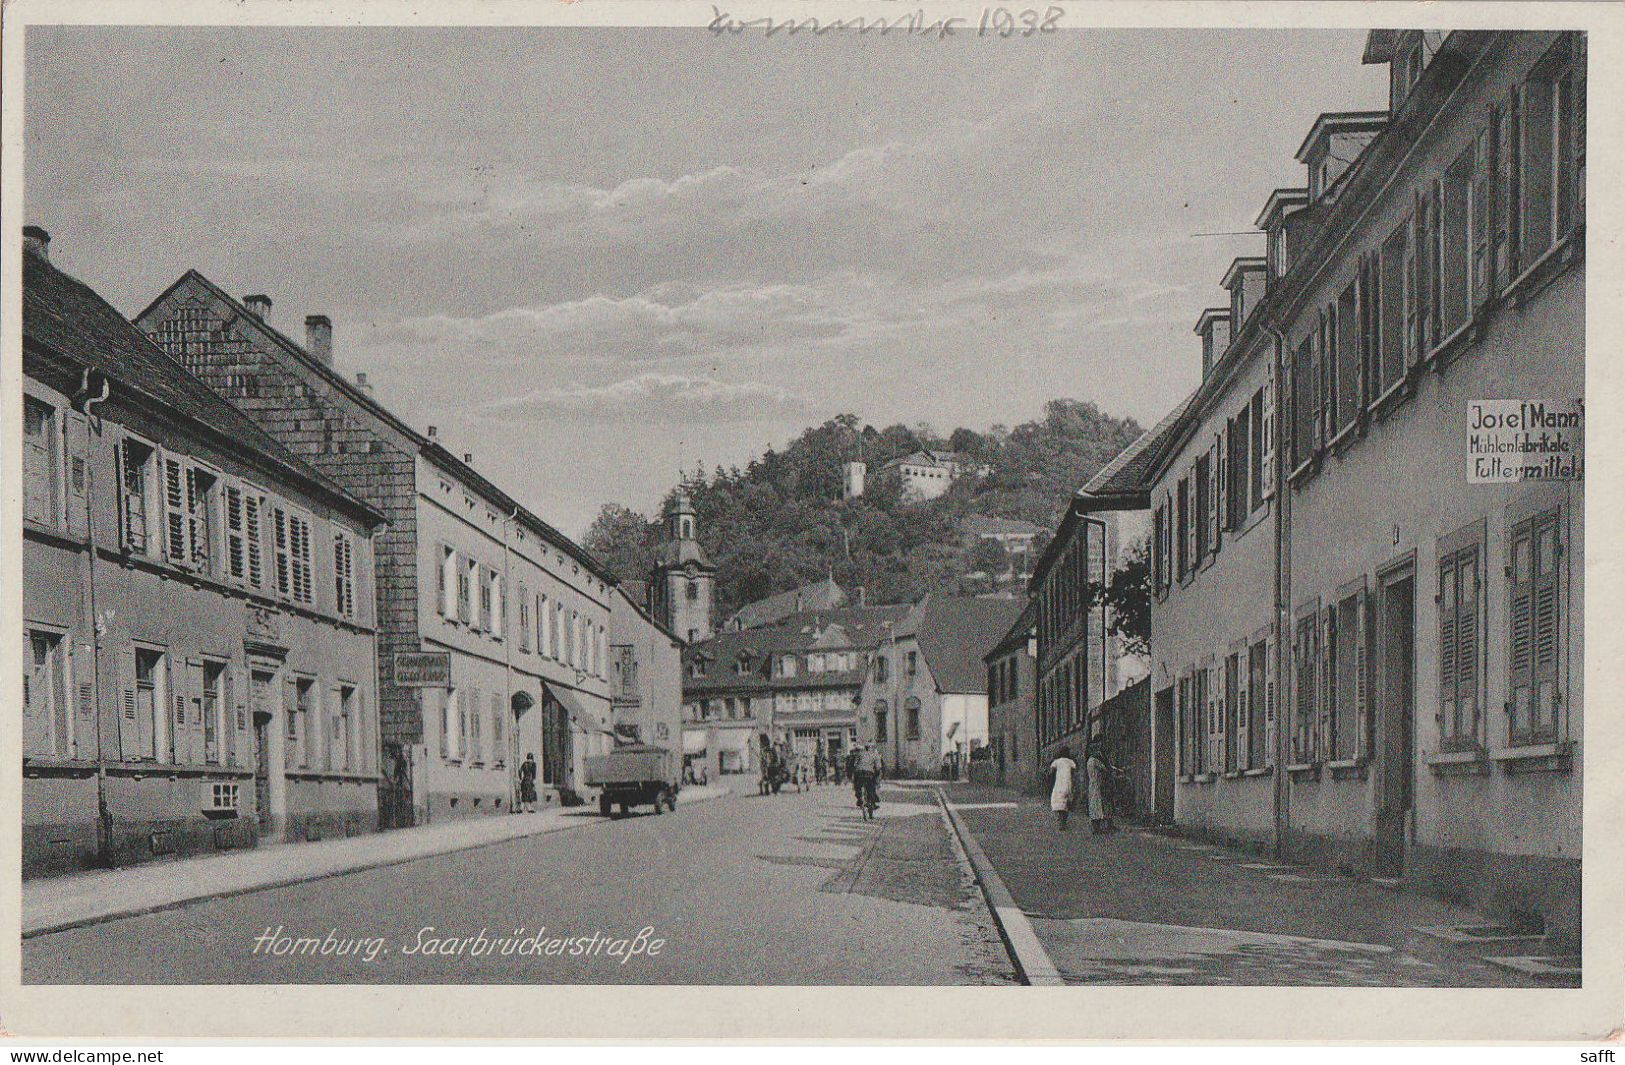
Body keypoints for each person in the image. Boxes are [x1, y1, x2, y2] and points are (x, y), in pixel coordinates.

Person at [1086, 747, 1117, 834]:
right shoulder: (1095, 761)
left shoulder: (1089, 761)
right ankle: (1097, 828)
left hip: (1092, 785)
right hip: (1097, 785)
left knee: (1094, 806)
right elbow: (1105, 768)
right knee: (1097, 806)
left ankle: (1096, 828)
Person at [1048, 744, 1078, 831]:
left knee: (1059, 802)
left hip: (1059, 783)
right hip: (1068, 783)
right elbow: (1074, 773)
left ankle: (1061, 821)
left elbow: (1051, 773)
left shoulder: (1056, 762)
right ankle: (1063, 821)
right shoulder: (1071, 762)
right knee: (1066, 802)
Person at [852, 743, 882, 812]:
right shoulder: (875, 755)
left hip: (858, 772)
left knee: (857, 786)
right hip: (869, 773)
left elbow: (855, 764)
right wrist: (876, 774)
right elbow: (878, 767)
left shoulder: (860, 754)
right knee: (871, 788)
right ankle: (872, 803)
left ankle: (859, 799)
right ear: (872, 748)